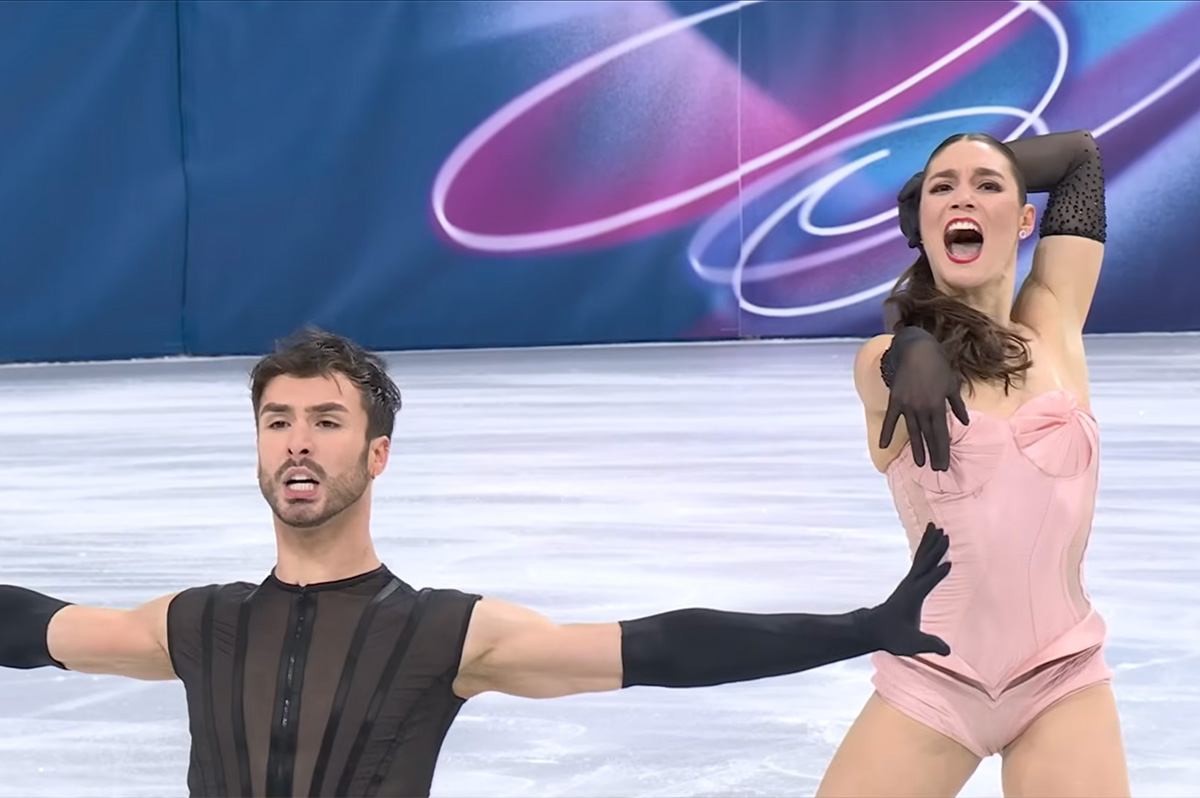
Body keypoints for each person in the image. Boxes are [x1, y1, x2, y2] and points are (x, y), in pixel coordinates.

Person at [1, 328, 954, 798]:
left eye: (326, 421)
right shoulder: (201, 624)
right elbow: (35, 629)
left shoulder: (444, 633)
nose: (297, 441)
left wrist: (858, 629)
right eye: (277, 421)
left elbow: (659, 648)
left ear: (376, 454)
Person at [815, 129, 1130, 798]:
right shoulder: (885, 361)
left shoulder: (1053, 322)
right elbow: (880, 370)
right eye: (943, 191)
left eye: (987, 188)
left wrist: (935, 182)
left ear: (1025, 221)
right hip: (934, 680)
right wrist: (911, 347)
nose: (964, 198)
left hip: (1062, 675)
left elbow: (1081, 158)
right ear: (923, 231)